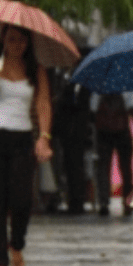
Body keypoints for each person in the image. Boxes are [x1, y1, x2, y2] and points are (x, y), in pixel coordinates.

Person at [0, 25, 53, 266]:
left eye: (21, 40)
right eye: (11, 39)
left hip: (22, 139)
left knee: (21, 199)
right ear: (3, 41)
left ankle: (16, 243)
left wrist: (44, 136)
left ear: (28, 43)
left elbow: (42, 103)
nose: (16, 45)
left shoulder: (35, 70)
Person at [52, 73, 94, 215]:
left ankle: (77, 201)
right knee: (70, 167)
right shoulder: (67, 80)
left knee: (75, 167)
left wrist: (61, 99)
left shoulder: (80, 85)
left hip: (75, 131)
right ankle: (73, 200)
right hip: (69, 131)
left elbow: (78, 105)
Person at [93, 91, 133, 216]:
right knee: (126, 168)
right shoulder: (127, 84)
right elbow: (132, 108)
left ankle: (103, 202)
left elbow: (93, 109)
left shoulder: (99, 85)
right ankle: (127, 201)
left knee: (103, 166)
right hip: (122, 130)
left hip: (103, 132)